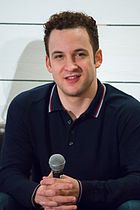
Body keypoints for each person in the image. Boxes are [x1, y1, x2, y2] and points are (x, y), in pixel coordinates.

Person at [0, 11, 140, 210]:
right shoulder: (24, 107)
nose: (70, 66)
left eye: (80, 54)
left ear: (97, 58)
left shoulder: (129, 112)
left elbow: (138, 179)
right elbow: (8, 173)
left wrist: (82, 191)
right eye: (59, 56)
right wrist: (38, 194)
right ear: (49, 63)